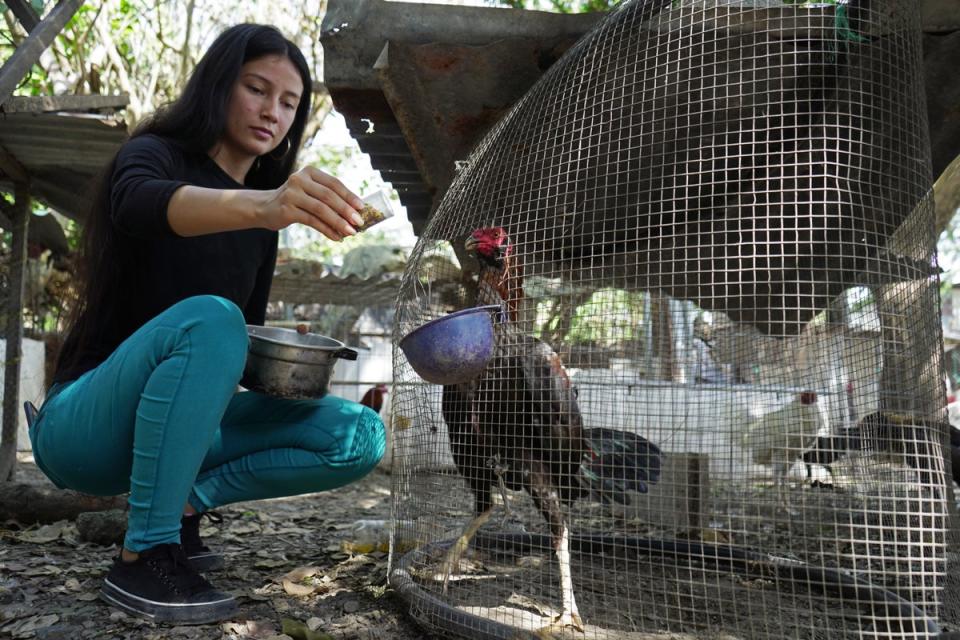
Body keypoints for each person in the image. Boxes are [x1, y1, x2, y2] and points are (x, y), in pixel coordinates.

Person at [27, 24, 386, 625]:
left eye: (289, 102)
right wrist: (266, 207)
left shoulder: (262, 223)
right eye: (256, 88)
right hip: (85, 427)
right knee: (212, 317)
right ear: (220, 85)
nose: (273, 111)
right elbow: (137, 204)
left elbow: (234, 348)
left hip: (179, 432)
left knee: (359, 434)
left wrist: (282, 355)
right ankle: (143, 553)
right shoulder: (154, 155)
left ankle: (184, 508)